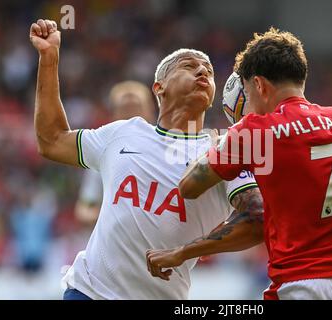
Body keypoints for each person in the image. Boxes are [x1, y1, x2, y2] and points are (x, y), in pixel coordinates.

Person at [148, 27, 332, 300]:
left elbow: (189, 186)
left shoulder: (254, 131)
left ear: (259, 85)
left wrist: (225, 139)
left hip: (306, 284)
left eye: (248, 95)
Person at [29, 19, 263, 300]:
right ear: (159, 87)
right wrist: (49, 59)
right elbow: (52, 140)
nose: (202, 71)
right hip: (88, 292)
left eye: (209, 72)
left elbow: (256, 221)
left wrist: (184, 253)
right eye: (189, 66)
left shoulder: (224, 150)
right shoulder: (123, 132)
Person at [75, 81, 157, 226]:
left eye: (136, 108)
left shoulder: (166, 147)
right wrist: (116, 216)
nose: (131, 116)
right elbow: (85, 209)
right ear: (114, 115)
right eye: (125, 109)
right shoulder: (102, 154)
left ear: (150, 110)